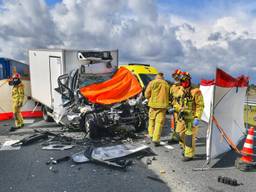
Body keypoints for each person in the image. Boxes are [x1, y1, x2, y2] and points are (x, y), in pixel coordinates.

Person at [174, 72, 204, 161]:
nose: (184, 83)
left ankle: (189, 154)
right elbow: (176, 103)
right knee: (179, 134)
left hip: (191, 118)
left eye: (186, 81)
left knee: (189, 136)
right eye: (182, 81)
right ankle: (185, 148)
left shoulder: (196, 91)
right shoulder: (180, 91)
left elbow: (200, 106)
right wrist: (177, 108)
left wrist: (197, 117)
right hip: (182, 117)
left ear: (189, 81)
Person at [145, 72, 170, 146]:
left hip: (153, 105)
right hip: (162, 106)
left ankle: (151, 134)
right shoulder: (166, 84)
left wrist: (149, 98)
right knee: (159, 123)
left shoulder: (152, 82)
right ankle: (156, 139)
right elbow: (169, 94)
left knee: (151, 120)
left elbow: (146, 94)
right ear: (162, 77)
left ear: (156, 76)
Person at [169, 69, 183, 143]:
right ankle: (175, 138)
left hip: (181, 108)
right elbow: (170, 96)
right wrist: (169, 105)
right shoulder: (172, 86)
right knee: (173, 124)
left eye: (177, 76)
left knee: (180, 124)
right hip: (174, 107)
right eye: (174, 76)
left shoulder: (183, 86)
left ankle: (181, 139)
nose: (176, 77)